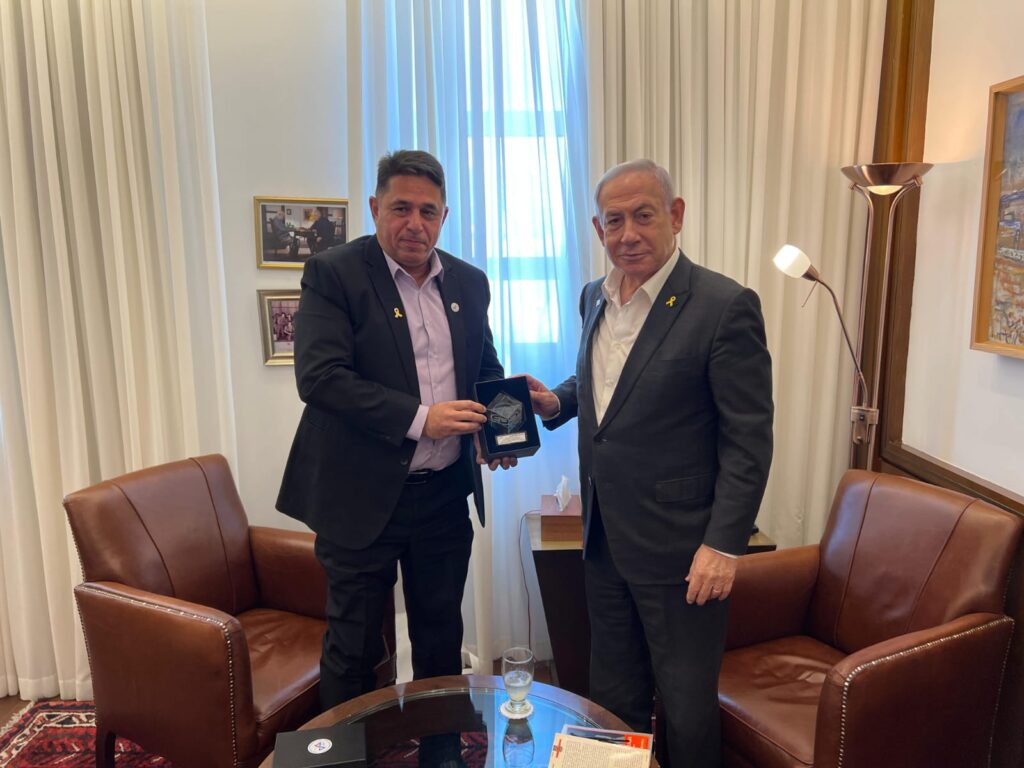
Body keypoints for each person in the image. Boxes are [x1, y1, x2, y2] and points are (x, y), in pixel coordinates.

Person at [527, 159, 773, 767]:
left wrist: (723, 545)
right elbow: (611, 386)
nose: (629, 234)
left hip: (682, 552)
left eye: (644, 215)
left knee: (686, 706)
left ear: (676, 215)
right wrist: (559, 400)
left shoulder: (724, 305)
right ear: (597, 228)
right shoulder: (594, 296)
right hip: (604, 539)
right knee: (612, 695)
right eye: (614, 221)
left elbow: (748, 439)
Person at [277, 149, 515, 714]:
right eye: (401, 208)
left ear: (444, 216)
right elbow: (321, 377)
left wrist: (496, 432)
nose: (415, 224)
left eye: (428, 211)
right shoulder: (334, 274)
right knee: (354, 647)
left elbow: (485, 370)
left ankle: (440, 747)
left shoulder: (469, 282)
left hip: (443, 496)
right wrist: (422, 419)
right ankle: (350, 751)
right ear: (374, 208)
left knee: (440, 638)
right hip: (358, 496)